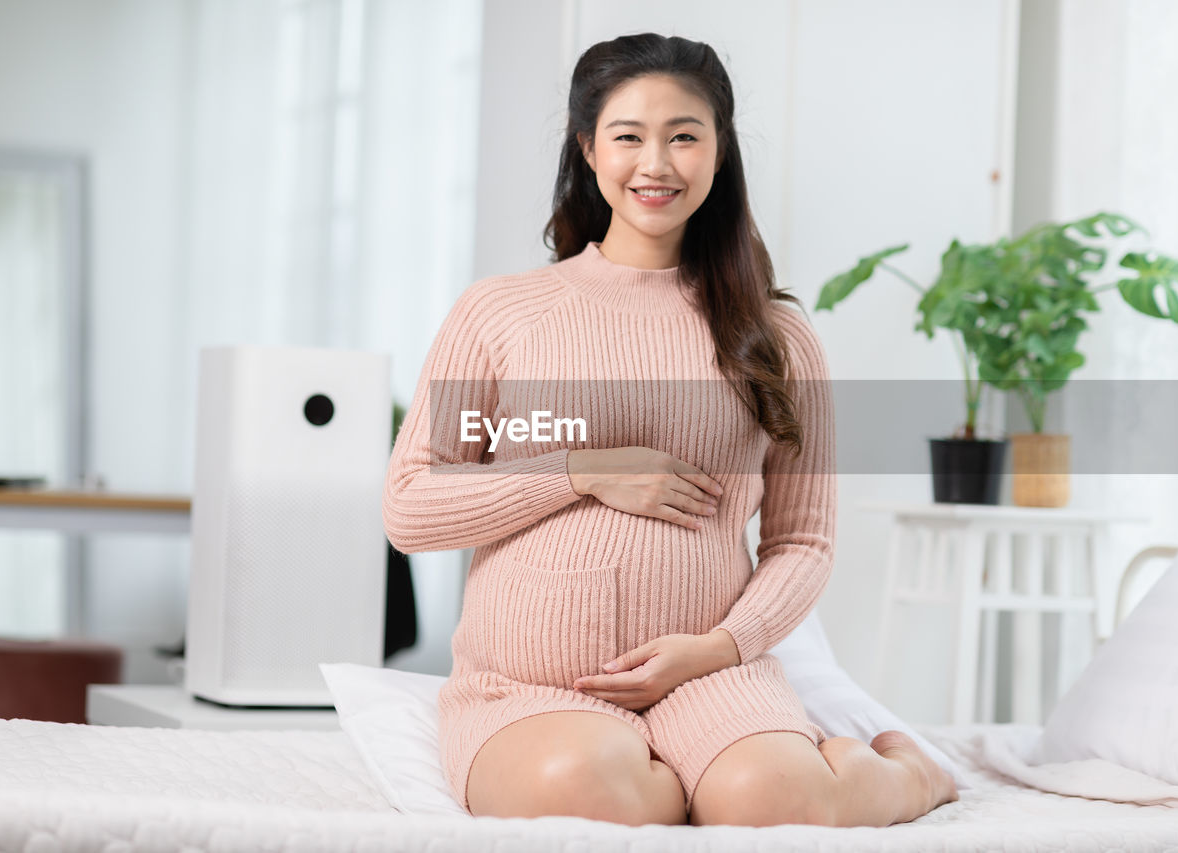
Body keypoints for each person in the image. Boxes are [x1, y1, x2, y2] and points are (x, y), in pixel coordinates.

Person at [383, 32, 957, 827]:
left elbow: (802, 543)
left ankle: (910, 775)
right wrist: (582, 467)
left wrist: (723, 646)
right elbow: (411, 506)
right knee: (579, 788)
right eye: (628, 137)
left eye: (684, 136)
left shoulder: (777, 337)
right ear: (589, 150)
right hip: (532, 685)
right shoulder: (500, 313)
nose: (656, 163)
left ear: (719, 153)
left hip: (710, 674)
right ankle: (683, 780)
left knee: (772, 799)